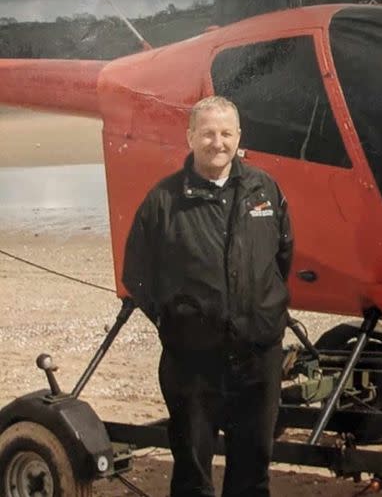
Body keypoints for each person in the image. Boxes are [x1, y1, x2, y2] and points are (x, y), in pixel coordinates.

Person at [122, 95, 293, 497]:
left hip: (257, 359)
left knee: (252, 475)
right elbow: (137, 274)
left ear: (239, 137)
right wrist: (176, 319)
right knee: (193, 476)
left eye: (226, 133)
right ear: (190, 137)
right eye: (208, 133)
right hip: (193, 364)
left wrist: (262, 312)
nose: (218, 143)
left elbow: (281, 257)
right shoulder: (163, 201)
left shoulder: (263, 189)